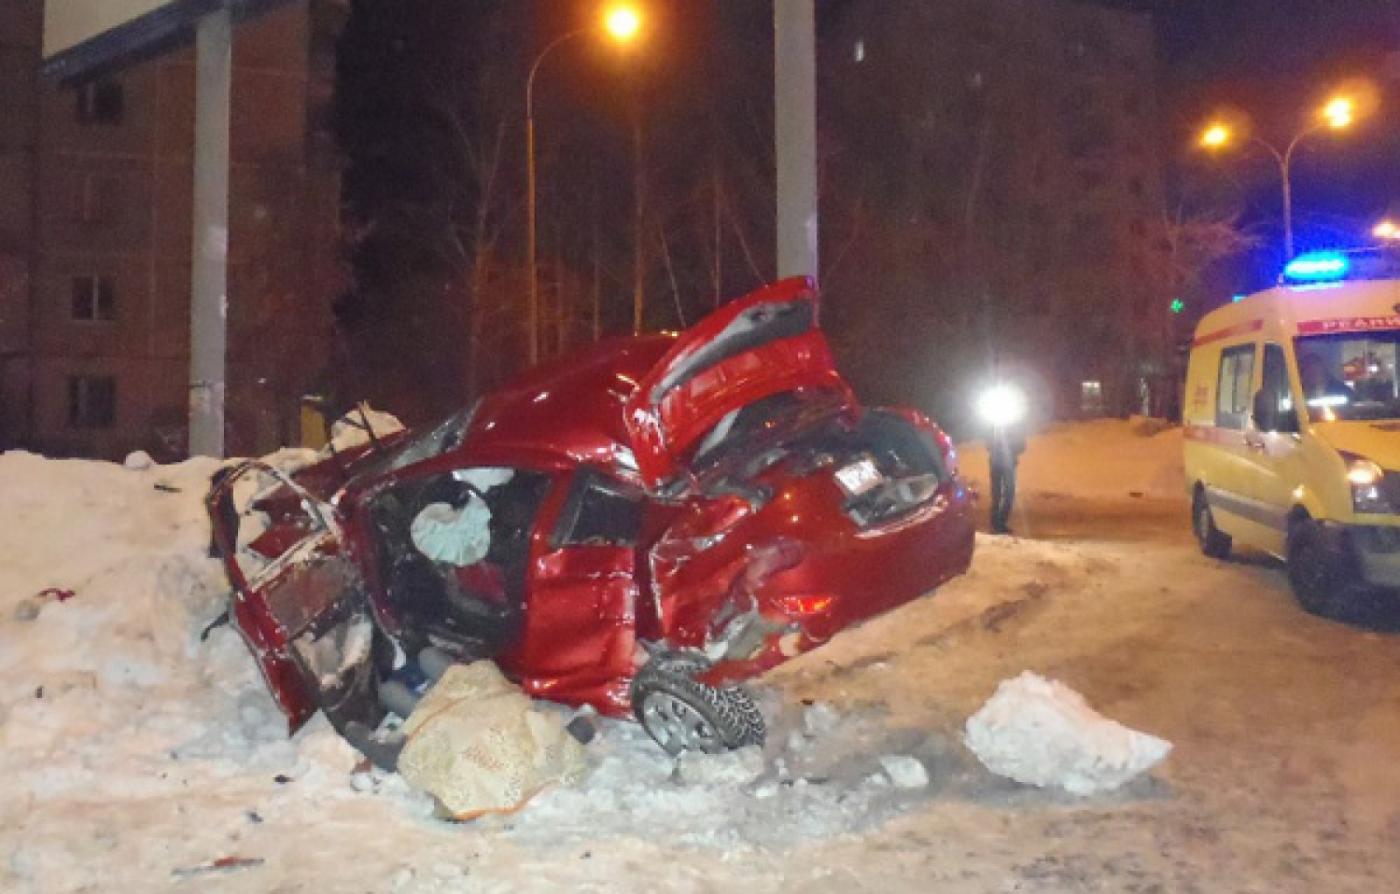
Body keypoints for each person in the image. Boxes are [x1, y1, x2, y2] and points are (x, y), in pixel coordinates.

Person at [988, 419, 1026, 535]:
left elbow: (1022, 446)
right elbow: (987, 443)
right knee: (997, 493)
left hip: (1008, 463)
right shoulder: (993, 425)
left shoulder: (1015, 427)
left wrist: (1011, 448)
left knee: (1008, 493)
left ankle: (1000, 522)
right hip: (996, 463)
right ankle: (996, 522)